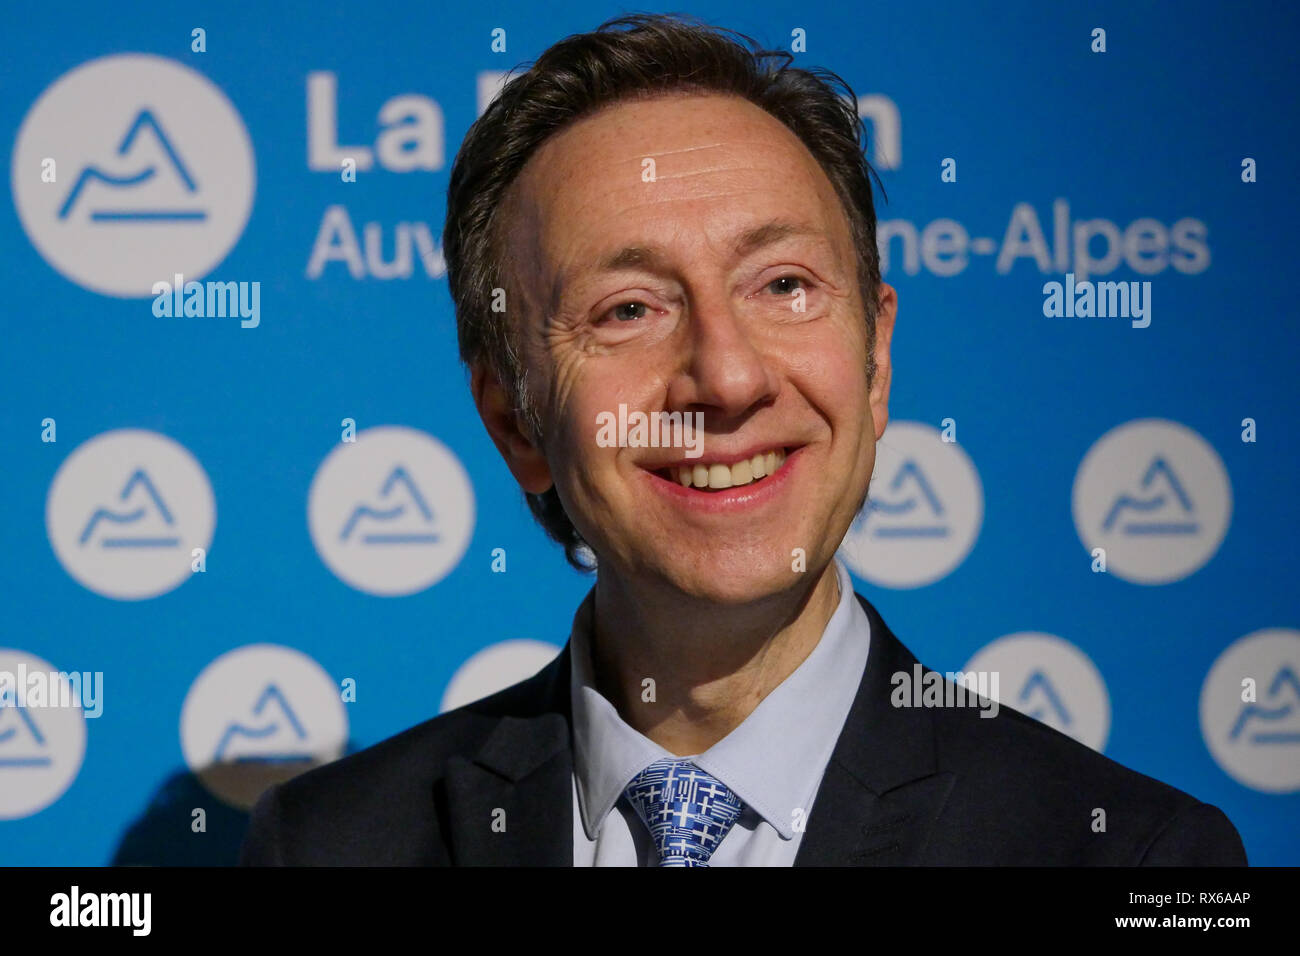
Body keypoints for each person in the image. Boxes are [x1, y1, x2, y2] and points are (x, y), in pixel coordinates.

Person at [240, 13, 1246, 866]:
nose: (726, 375)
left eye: (784, 286)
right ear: (515, 418)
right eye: (628, 307)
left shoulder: (1126, 853)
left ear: (876, 357)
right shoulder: (328, 844)